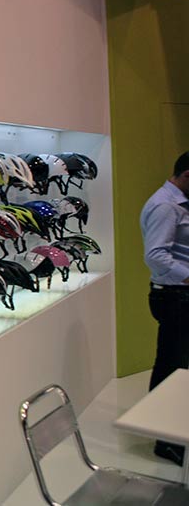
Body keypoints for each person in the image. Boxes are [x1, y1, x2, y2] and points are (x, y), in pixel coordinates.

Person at [139, 150, 189, 467]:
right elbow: (156, 255)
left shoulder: (179, 203)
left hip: (179, 296)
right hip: (175, 298)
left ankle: (173, 431)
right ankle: (165, 441)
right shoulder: (166, 206)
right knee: (171, 368)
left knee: (177, 367)